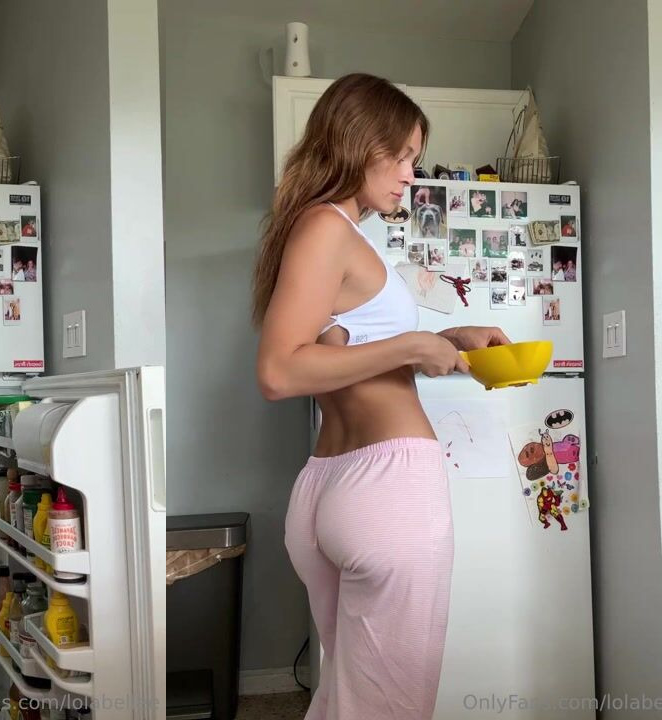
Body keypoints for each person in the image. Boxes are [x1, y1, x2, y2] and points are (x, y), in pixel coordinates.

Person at [251, 74, 507, 720]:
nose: (409, 175)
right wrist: (411, 345)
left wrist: (447, 340)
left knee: (349, 701)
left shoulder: (327, 230)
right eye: (400, 155)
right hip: (388, 488)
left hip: (332, 484)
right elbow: (279, 372)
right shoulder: (327, 227)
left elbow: (343, 355)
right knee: (388, 706)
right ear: (355, 142)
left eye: (415, 158)